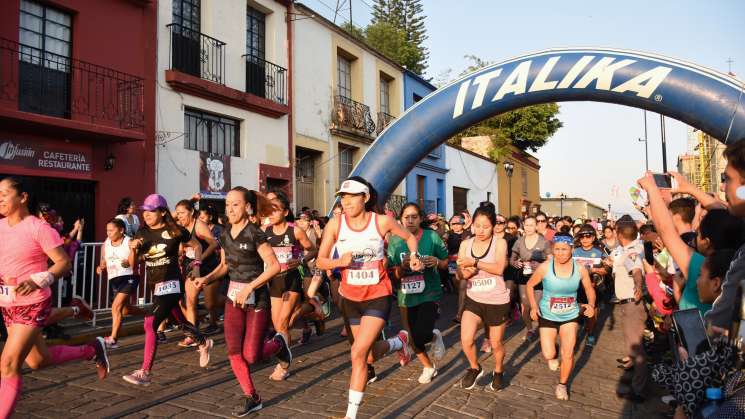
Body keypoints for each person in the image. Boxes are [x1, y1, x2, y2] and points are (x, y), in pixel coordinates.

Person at [0, 177, 109, 417]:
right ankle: (91, 349)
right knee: (38, 361)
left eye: (4, 193)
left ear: (23, 197)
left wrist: (39, 279)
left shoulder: (38, 228)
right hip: (8, 303)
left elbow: (63, 263)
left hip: (33, 302)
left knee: (8, 365)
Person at [316, 177, 422, 419]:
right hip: (350, 298)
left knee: (357, 354)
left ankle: (350, 415)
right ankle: (399, 342)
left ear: (365, 198)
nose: (346, 201)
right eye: (343, 196)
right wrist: (338, 262)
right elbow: (321, 261)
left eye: (352, 196)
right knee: (369, 354)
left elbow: (409, 237)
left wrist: (414, 256)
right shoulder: (335, 224)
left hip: (377, 295)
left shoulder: (382, 221)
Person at [194, 187, 291, 416]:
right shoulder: (225, 234)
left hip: (257, 300)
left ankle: (279, 344)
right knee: (234, 352)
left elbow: (275, 266)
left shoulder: (255, 233)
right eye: (227, 205)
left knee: (252, 356)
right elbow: (225, 266)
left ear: (247, 207)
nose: (230, 209)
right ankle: (252, 396)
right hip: (233, 300)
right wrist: (206, 279)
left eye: (235, 204)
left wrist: (250, 286)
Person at [122, 194, 213, 386]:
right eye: (144, 210)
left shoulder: (174, 230)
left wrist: (197, 264)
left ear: (163, 212)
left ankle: (145, 372)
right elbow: (132, 264)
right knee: (180, 322)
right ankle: (203, 341)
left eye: (151, 211)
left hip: (172, 284)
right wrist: (132, 249)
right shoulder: (142, 234)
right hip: (156, 285)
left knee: (149, 323)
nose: (146, 214)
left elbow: (196, 245)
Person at [527, 233, 596, 400]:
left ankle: (562, 385)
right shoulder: (545, 267)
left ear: (571, 249)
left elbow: (588, 289)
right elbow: (530, 285)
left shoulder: (579, 268)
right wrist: (533, 306)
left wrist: (591, 305)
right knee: (549, 354)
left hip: (570, 315)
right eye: (557, 249)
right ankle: (553, 354)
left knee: (568, 353)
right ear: (553, 250)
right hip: (548, 315)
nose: (560, 253)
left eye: (564, 249)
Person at [387, 203, 448, 384]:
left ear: (421, 219)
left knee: (420, 334)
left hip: (429, 292)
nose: (411, 220)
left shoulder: (431, 236)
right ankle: (428, 366)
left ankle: (434, 335)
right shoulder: (395, 240)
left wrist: (436, 261)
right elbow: (392, 273)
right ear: (401, 219)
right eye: (407, 217)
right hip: (405, 295)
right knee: (412, 337)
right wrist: (403, 267)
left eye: (414, 216)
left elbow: (446, 263)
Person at [456, 202, 510, 392]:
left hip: (496, 300)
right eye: (477, 226)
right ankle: (474, 367)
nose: (480, 230)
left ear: (493, 226)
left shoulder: (499, 243)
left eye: (485, 227)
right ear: (471, 225)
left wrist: (475, 263)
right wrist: (465, 273)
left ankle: (498, 371)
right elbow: (459, 274)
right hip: (474, 299)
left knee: (495, 343)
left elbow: (498, 268)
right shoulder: (465, 244)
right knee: (466, 339)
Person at [264, 193, 316, 380]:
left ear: (285, 212)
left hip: (291, 281)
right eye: (268, 209)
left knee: (283, 323)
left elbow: (312, 249)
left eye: (275, 209)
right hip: (274, 282)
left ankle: (283, 366)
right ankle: (310, 312)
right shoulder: (265, 231)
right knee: (277, 324)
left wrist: (300, 260)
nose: (270, 212)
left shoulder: (295, 231)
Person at [609, 220, 647, 401]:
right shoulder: (626, 250)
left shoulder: (631, 252)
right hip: (627, 303)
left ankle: (638, 390)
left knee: (637, 348)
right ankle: (635, 380)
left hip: (633, 303)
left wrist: (638, 287)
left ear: (620, 235)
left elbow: (637, 270)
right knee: (632, 344)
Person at [175, 199, 223, 338]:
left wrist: (199, 258)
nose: (179, 215)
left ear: (191, 211)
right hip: (191, 266)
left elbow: (214, 244)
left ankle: (214, 322)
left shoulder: (199, 225)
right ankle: (192, 334)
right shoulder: (180, 227)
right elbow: (182, 247)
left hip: (208, 265)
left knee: (210, 303)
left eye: (182, 212)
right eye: (177, 213)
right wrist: (180, 254)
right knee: (190, 301)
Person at [97, 218, 145, 348]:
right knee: (124, 310)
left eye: (112, 230)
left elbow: (133, 263)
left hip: (129, 277)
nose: (109, 233)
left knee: (116, 307)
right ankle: (150, 314)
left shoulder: (129, 242)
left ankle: (113, 339)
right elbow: (105, 259)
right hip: (115, 278)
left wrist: (130, 259)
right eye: (107, 230)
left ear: (121, 230)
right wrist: (101, 266)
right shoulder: (107, 242)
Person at [510, 216, 550, 341]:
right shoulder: (519, 241)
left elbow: (551, 261)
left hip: (539, 278)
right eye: (526, 225)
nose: (528, 227)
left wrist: (540, 265)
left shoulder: (544, 242)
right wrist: (515, 263)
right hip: (524, 277)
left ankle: (540, 326)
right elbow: (512, 259)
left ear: (536, 226)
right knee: (525, 305)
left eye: (531, 225)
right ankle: (530, 329)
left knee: (536, 305)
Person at [572, 224, 607, 347]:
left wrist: (592, 271)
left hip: (595, 287)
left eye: (588, 236)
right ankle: (574, 335)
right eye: (582, 237)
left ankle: (590, 333)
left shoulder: (600, 251)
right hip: (577, 287)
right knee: (576, 313)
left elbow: (606, 270)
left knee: (592, 314)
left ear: (593, 237)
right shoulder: (574, 251)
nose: (585, 239)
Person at [446, 214, 470, 323]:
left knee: (462, 286)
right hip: (452, 263)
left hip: (465, 263)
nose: (455, 226)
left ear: (463, 224)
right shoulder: (448, 235)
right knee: (456, 285)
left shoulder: (468, 234)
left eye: (458, 223)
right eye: (453, 223)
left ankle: (460, 313)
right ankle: (464, 302)